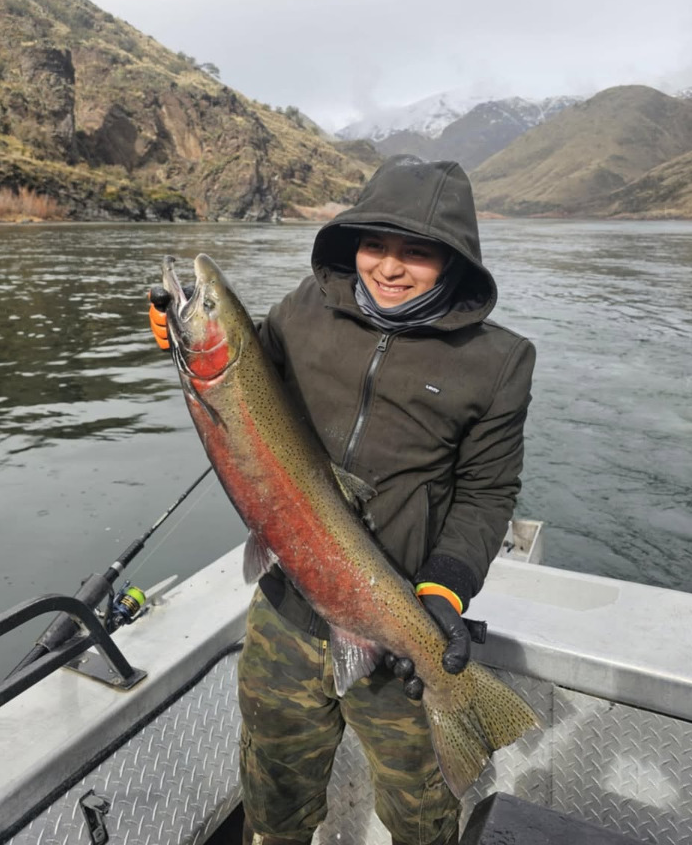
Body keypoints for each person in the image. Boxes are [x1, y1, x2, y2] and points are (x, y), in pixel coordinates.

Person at [149, 155, 535, 845]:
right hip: (287, 608)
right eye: (375, 244)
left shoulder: (498, 361)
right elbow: (243, 375)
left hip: (399, 619)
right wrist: (183, 333)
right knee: (273, 793)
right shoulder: (304, 306)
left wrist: (443, 596)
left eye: (417, 252)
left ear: (454, 261)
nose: (389, 267)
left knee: (421, 816)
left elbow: (487, 491)